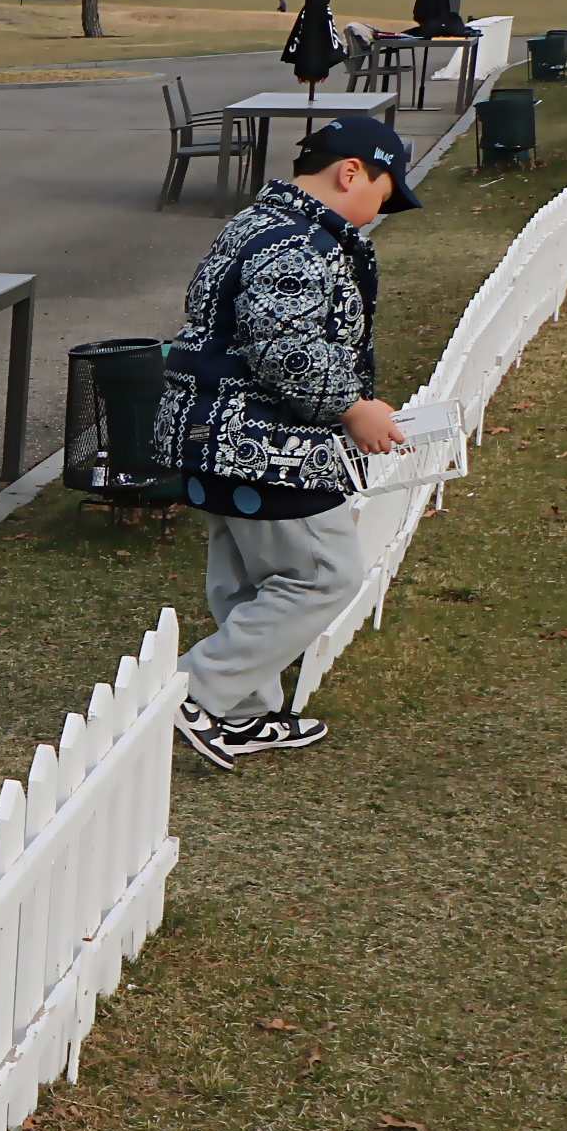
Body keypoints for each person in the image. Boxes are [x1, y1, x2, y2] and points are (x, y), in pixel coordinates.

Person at [152, 115, 414, 768]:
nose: (377, 214)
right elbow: (283, 348)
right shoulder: (301, 242)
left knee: (246, 581)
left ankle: (243, 713)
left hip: (212, 437)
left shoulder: (256, 223)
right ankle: (195, 693)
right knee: (323, 574)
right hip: (264, 445)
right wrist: (353, 407)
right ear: (351, 173)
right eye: (382, 196)